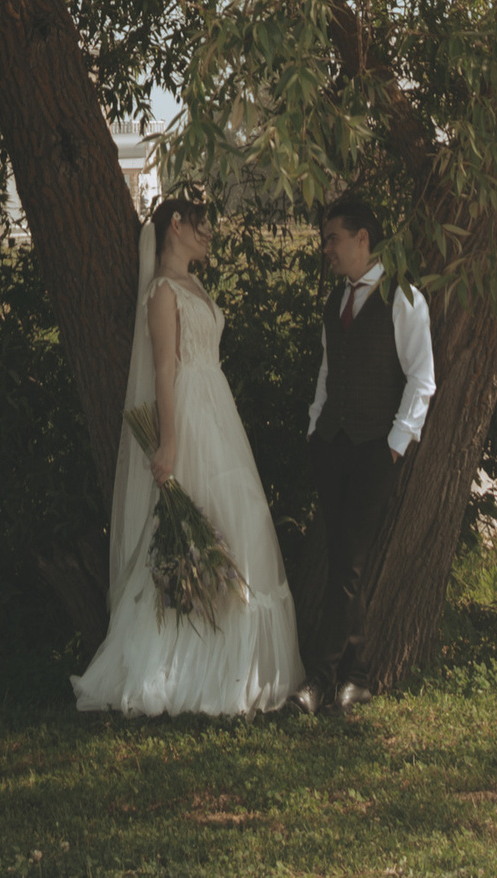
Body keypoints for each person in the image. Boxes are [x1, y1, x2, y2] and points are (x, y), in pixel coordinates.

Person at [73, 189, 306, 717]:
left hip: (218, 410)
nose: (208, 234)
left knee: (241, 521)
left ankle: (244, 668)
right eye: (201, 224)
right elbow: (163, 370)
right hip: (191, 417)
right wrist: (170, 442)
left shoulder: (195, 284)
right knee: (207, 525)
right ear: (175, 224)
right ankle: (188, 668)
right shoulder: (161, 293)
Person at [302, 188, 435, 707]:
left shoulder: (404, 298)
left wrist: (395, 446)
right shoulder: (336, 300)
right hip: (331, 443)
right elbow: (327, 370)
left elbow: (422, 379)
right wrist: (315, 428)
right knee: (343, 562)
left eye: (332, 239)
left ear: (363, 239)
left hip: (375, 449)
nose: (326, 249)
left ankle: (318, 679)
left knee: (348, 565)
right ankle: (356, 676)